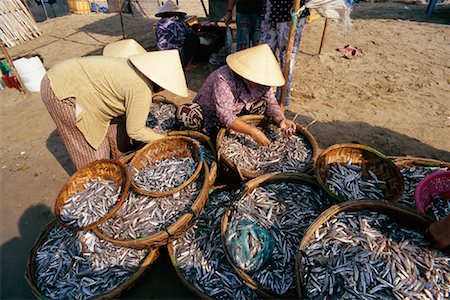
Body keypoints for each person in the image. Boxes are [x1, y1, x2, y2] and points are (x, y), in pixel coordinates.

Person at [40, 39, 188, 170]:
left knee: (112, 129)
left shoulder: (133, 68)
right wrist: (164, 139)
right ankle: (94, 181)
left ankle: (118, 162)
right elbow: (135, 131)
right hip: (61, 89)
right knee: (91, 149)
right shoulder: (141, 88)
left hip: (73, 79)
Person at [177, 44, 296, 146]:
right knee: (186, 114)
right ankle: (211, 135)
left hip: (238, 112)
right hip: (210, 114)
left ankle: (237, 127)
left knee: (263, 105)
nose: (259, 83)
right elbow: (224, 115)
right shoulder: (224, 77)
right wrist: (254, 132)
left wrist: (281, 119)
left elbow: (271, 103)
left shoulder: (263, 82)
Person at [259, 0, 309, 106]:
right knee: (263, 54)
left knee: (286, 58)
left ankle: (280, 100)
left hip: (289, 12)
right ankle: (261, 95)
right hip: (270, 10)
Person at [155, 0, 199, 69]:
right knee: (193, 37)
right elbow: (189, 32)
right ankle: (187, 64)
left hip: (162, 53)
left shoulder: (159, 23)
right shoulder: (179, 22)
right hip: (176, 55)